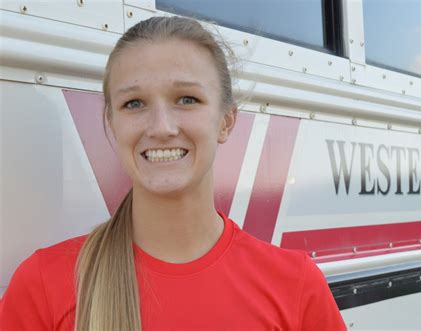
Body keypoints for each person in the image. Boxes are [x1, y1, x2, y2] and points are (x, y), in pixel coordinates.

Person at [0, 16, 346, 331]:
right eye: (134, 103)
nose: (161, 127)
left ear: (226, 121)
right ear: (111, 123)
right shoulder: (44, 285)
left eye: (187, 99)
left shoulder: (296, 285)